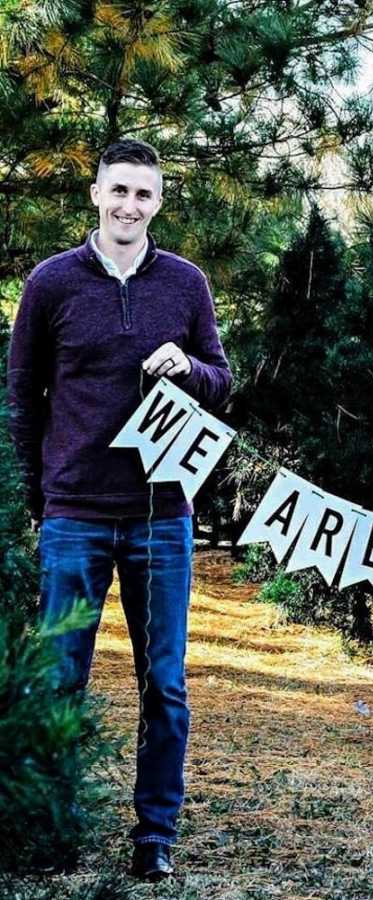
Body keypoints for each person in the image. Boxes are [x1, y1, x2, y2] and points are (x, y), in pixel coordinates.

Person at [7, 139, 232, 881]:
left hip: (162, 517)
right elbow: (22, 400)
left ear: (158, 204)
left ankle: (154, 836)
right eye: (118, 191)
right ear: (95, 195)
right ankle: (51, 826)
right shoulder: (50, 284)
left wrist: (188, 368)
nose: (129, 205)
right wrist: (39, 501)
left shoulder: (186, 284)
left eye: (143, 194)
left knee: (163, 682)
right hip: (72, 515)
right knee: (58, 680)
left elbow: (221, 380)